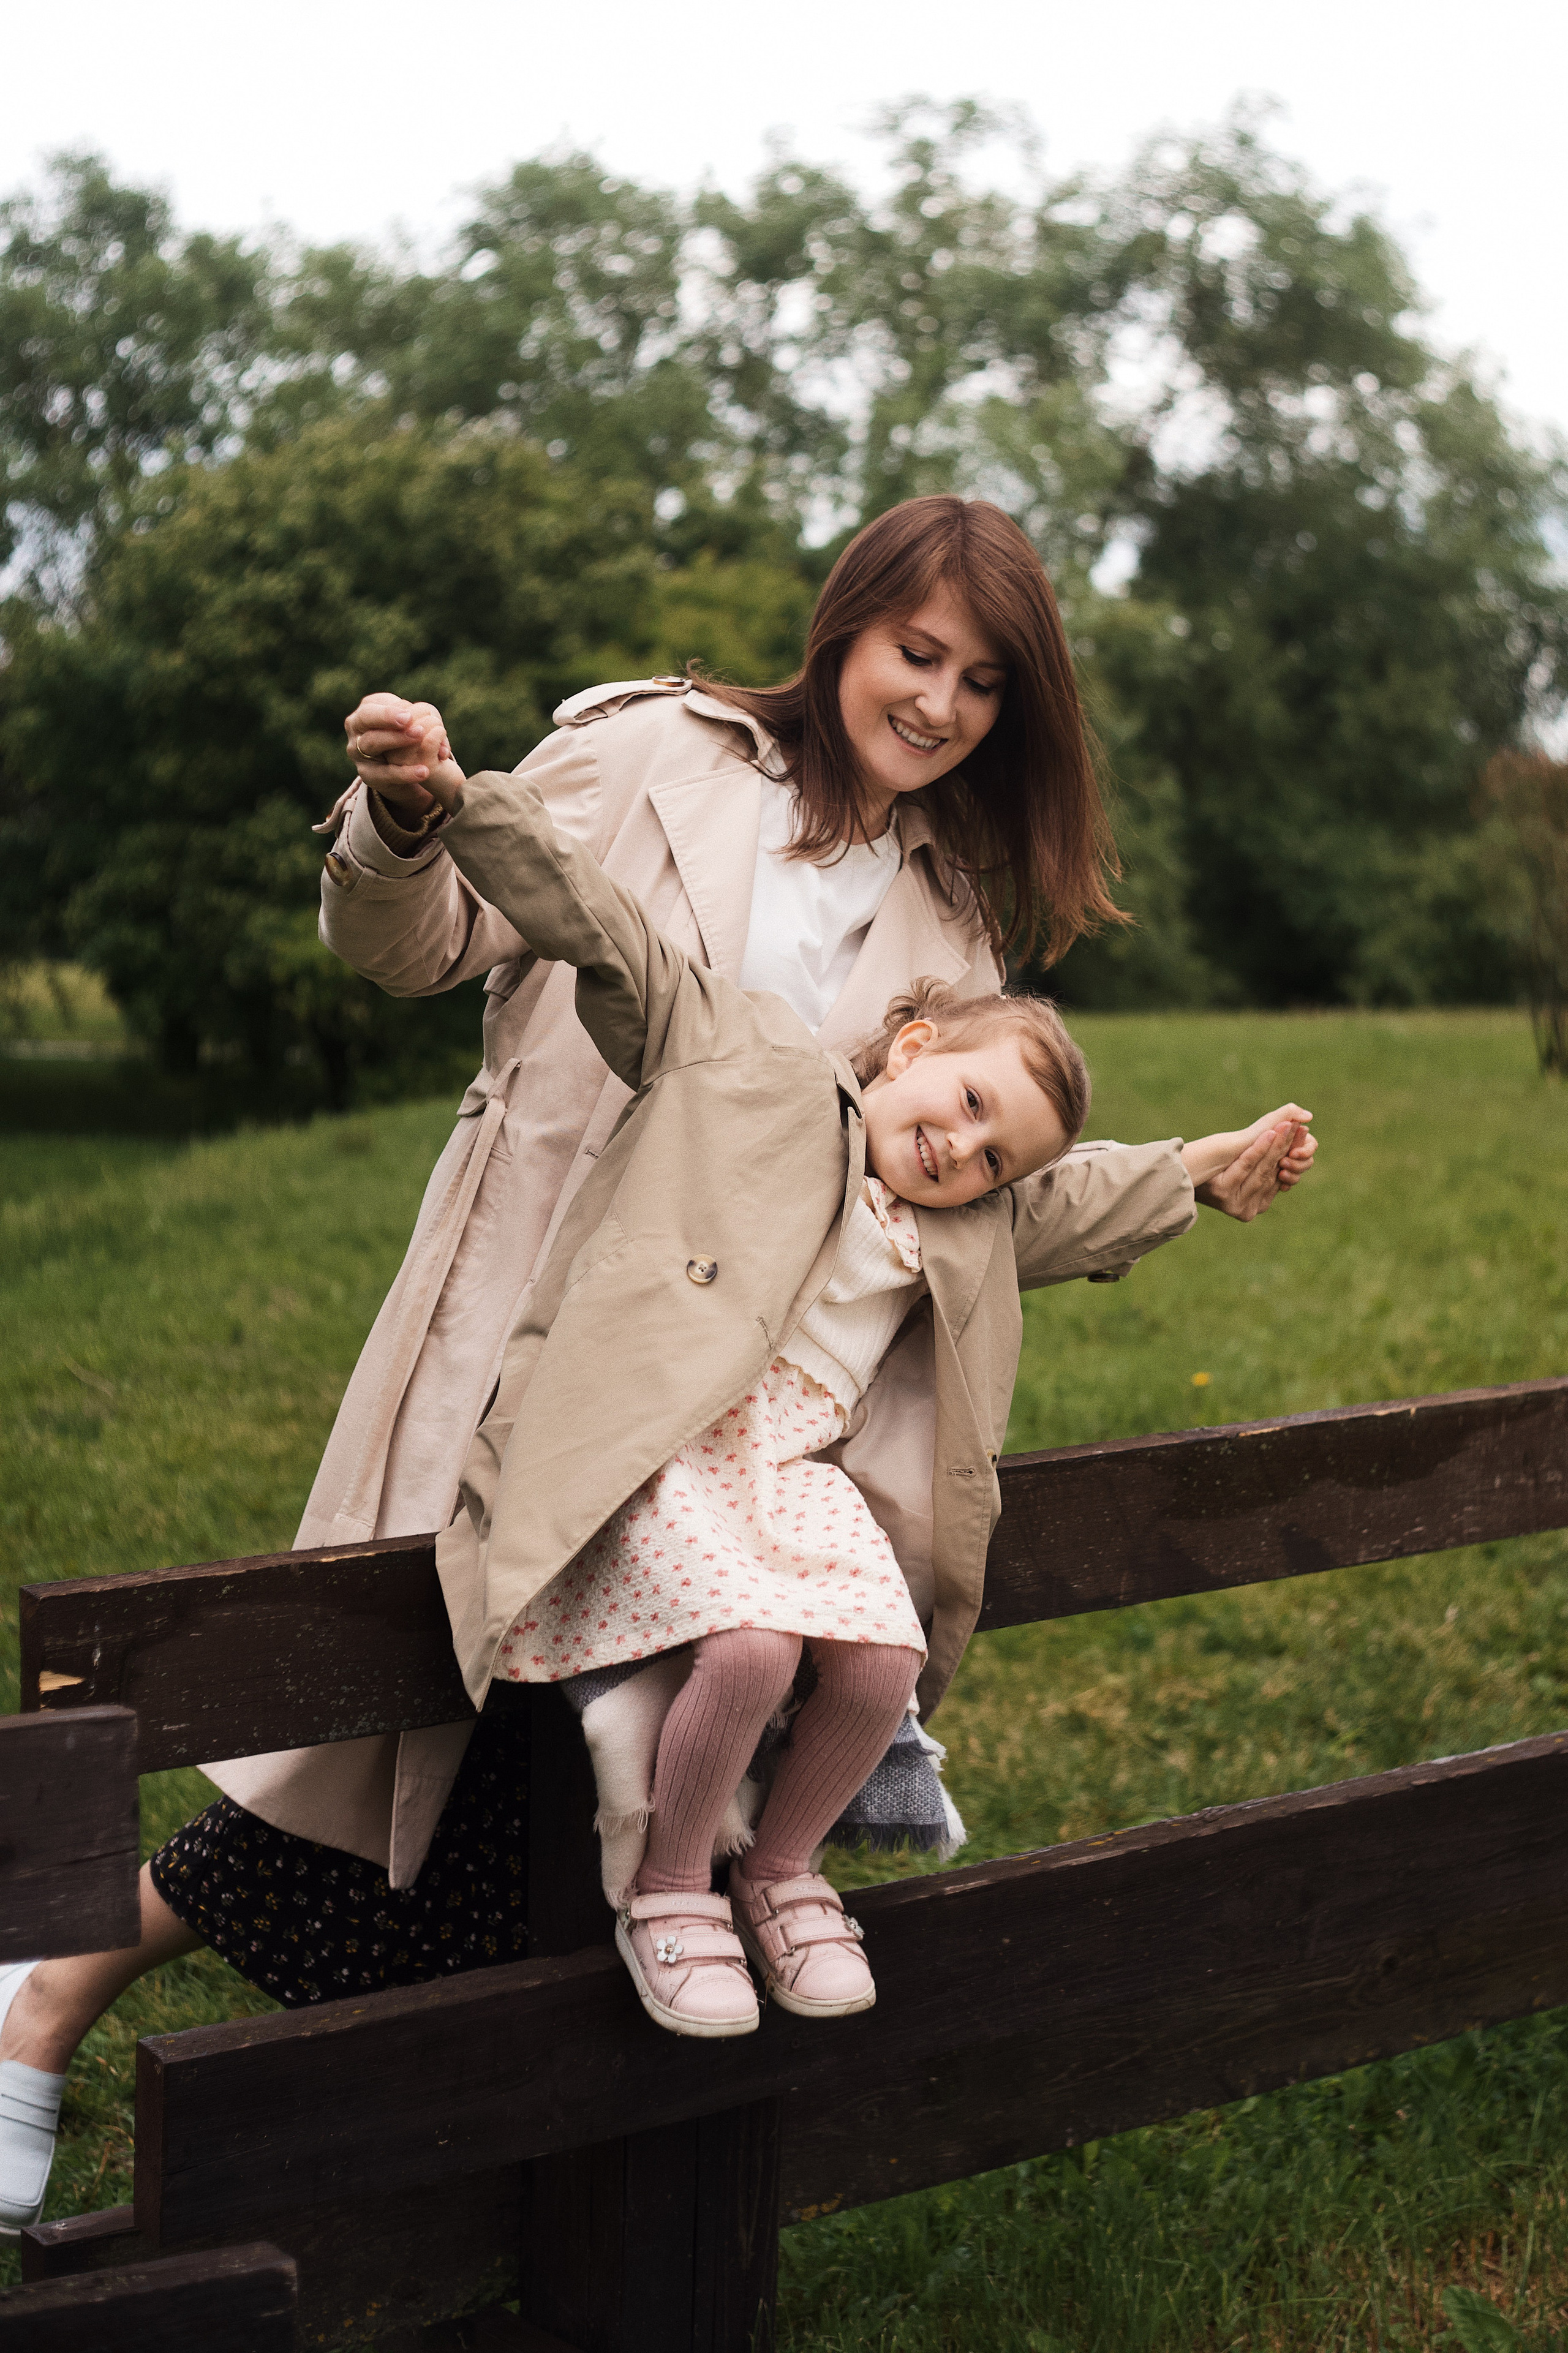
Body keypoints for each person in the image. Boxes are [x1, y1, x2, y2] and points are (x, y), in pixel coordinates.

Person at [0, 497, 1315, 2219]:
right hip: (528, 1325)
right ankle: (46, 2011)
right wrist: (411, 822)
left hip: (727, 1416)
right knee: (392, 1732)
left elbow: (967, 1196)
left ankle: (440, 2161)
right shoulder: (651, 755)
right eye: (917, 653)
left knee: (536, 1776)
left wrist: (1192, 1179)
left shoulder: (953, 922)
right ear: (847, 624)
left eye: (983, 683)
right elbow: (411, 943)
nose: (937, 703)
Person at [394, 734, 1314, 2036]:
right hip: (668, 1444)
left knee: (883, 1659)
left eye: (993, 1155)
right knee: (756, 1645)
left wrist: (1199, 1171)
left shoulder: (962, 1222)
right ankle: (667, 1888)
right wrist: (463, 809)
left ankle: (780, 1873)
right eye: (966, 1099)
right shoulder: (747, 1069)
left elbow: (1081, 1195)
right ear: (911, 1046)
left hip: (787, 1470)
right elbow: (608, 935)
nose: (962, 1147)